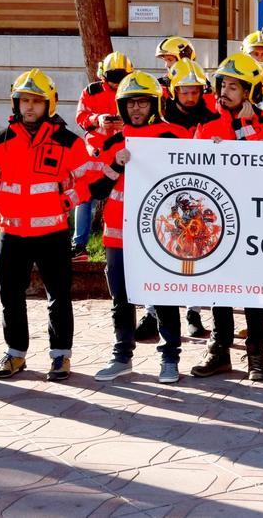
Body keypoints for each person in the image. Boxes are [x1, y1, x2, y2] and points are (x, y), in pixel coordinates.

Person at [0, 70, 89, 381]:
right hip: (11, 234)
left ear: (49, 104)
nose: (29, 107)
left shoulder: (67, 141)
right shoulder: (1, 140)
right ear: (16, 103)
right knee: (10, 296)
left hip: (52, 233)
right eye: (24, 100)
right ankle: (15, 354)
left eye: (36, 102)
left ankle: (60, 356)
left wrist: (67, 201)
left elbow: (89, 177)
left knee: (59, 297)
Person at [87, 72, 189, 383]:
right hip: (118, 235)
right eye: (130, 104)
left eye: (143, 103)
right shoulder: (114, 141)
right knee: (121, 298)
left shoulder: (175, 136)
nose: (136, 110)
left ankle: (170, 356)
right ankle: (122, 355)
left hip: (160, 235)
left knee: (164, 295)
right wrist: (116, 164)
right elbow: (96, 190)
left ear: (155, 103)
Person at [189, 54, 263, 381]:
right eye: (224, 85)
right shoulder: (206, 124)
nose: (226, 91)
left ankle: (255, 353)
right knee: (220, 287)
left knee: (252, 288)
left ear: (251, 91)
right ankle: (219, 350)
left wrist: (244, 128)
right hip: (218, 219)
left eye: (234, 86)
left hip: (256, 217)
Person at [143, 58, 217, 339]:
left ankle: (193, 312)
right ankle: (152, 313)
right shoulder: (160, 119)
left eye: (194, 91)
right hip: (165, 197)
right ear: (174, 91)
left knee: (198, 253)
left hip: (202, 198)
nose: (189, 96)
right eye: (184, 91)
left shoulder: (212, 118)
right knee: (160, 252)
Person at [72, 52, 133, 262]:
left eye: (120, 79)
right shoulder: (91, 91)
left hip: (121, 151)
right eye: (113, 80)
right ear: (103, 76)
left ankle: (127, 244)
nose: (116, 85)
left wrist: (125, 124)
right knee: (85, 196)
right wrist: (98, 120)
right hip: (95, 152)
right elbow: (80, 117)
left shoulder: (132, 90)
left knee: (122, 198)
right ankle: (79, 246)